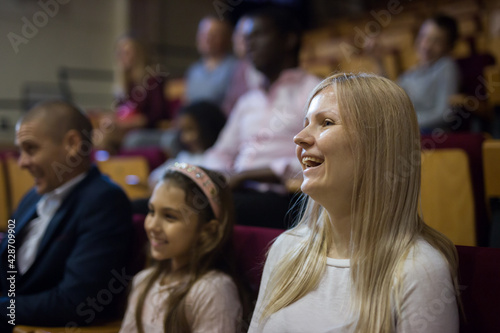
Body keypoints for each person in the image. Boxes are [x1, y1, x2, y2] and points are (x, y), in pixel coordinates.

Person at [249, 73, 460, 332]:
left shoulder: (419, 270)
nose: (299, 137)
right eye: (305, 123)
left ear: (377, 147)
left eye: (325, 123)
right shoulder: (286, 248)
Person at [0, 101, 133, 331]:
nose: (21, 162)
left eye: (30, 149)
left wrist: (3, 309)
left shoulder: (104, 202)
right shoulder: (32, 197)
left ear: (72, 144)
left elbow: (74, 302)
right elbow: (10, 269)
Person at [202, 6, 321, 229]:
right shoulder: (248, 101)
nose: (249, 44)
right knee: (156, 202)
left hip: (287, 198)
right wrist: (218, 176)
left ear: (288, 40)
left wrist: (249, 175)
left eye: (258, 35)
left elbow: (321, 159)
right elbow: (221, 152)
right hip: (239, 192)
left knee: (192, 211)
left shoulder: (314, 92)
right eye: (246, 38)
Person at [119, 163, 246, 333]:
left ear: (207, 231)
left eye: (169, 216)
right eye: (151, 211)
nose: (152, 226)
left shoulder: (213, 290)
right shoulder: (143, 281)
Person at [368, 14, 460, 133]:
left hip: (429, 133)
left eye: (436, 41)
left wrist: (405, 122)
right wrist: (379, 61)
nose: (426, 45)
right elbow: (391, 97)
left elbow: (444, 114)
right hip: (407, 130)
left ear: (448, 46)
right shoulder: (411, 73)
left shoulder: (446, 66)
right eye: (423, 37)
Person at [97, 34, 171, 153]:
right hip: (127, 129)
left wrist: (124, 123)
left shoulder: (152, 80)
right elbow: (123, 110)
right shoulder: (125, 83)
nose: (121, 57)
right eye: (119, 53)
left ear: (138, 54)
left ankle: (107, 165)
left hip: (149, 131)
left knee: (118, 139)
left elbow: (155, 116)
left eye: (127, 53)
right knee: (99, 134)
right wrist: (111, 118)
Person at [148, 101, 226, 189]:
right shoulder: (184, 156)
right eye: (182, 131)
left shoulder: (215, 158)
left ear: (209, 128)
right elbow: (154, 176)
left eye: (190, 130)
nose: (185, 138)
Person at [185, 16, 238, 107]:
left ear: (225, 38)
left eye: (214, 35)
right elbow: (186, 102)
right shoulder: (194, 70)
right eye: (203, 34)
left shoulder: (235, 68)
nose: (207, 39)